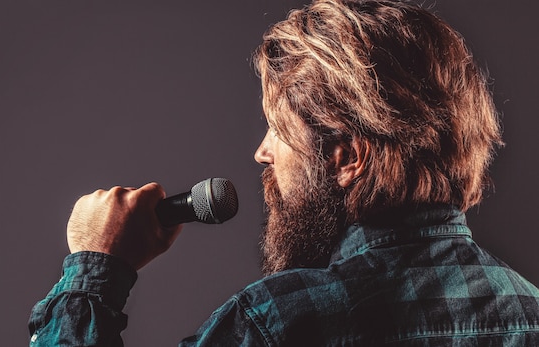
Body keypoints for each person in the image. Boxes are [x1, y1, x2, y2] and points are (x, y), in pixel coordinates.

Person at [29, 0, 539, 345]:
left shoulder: (280, 321)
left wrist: (93, 273)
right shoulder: (529, 311)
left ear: (346, 158)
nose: (261, 152)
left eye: (277, 127)